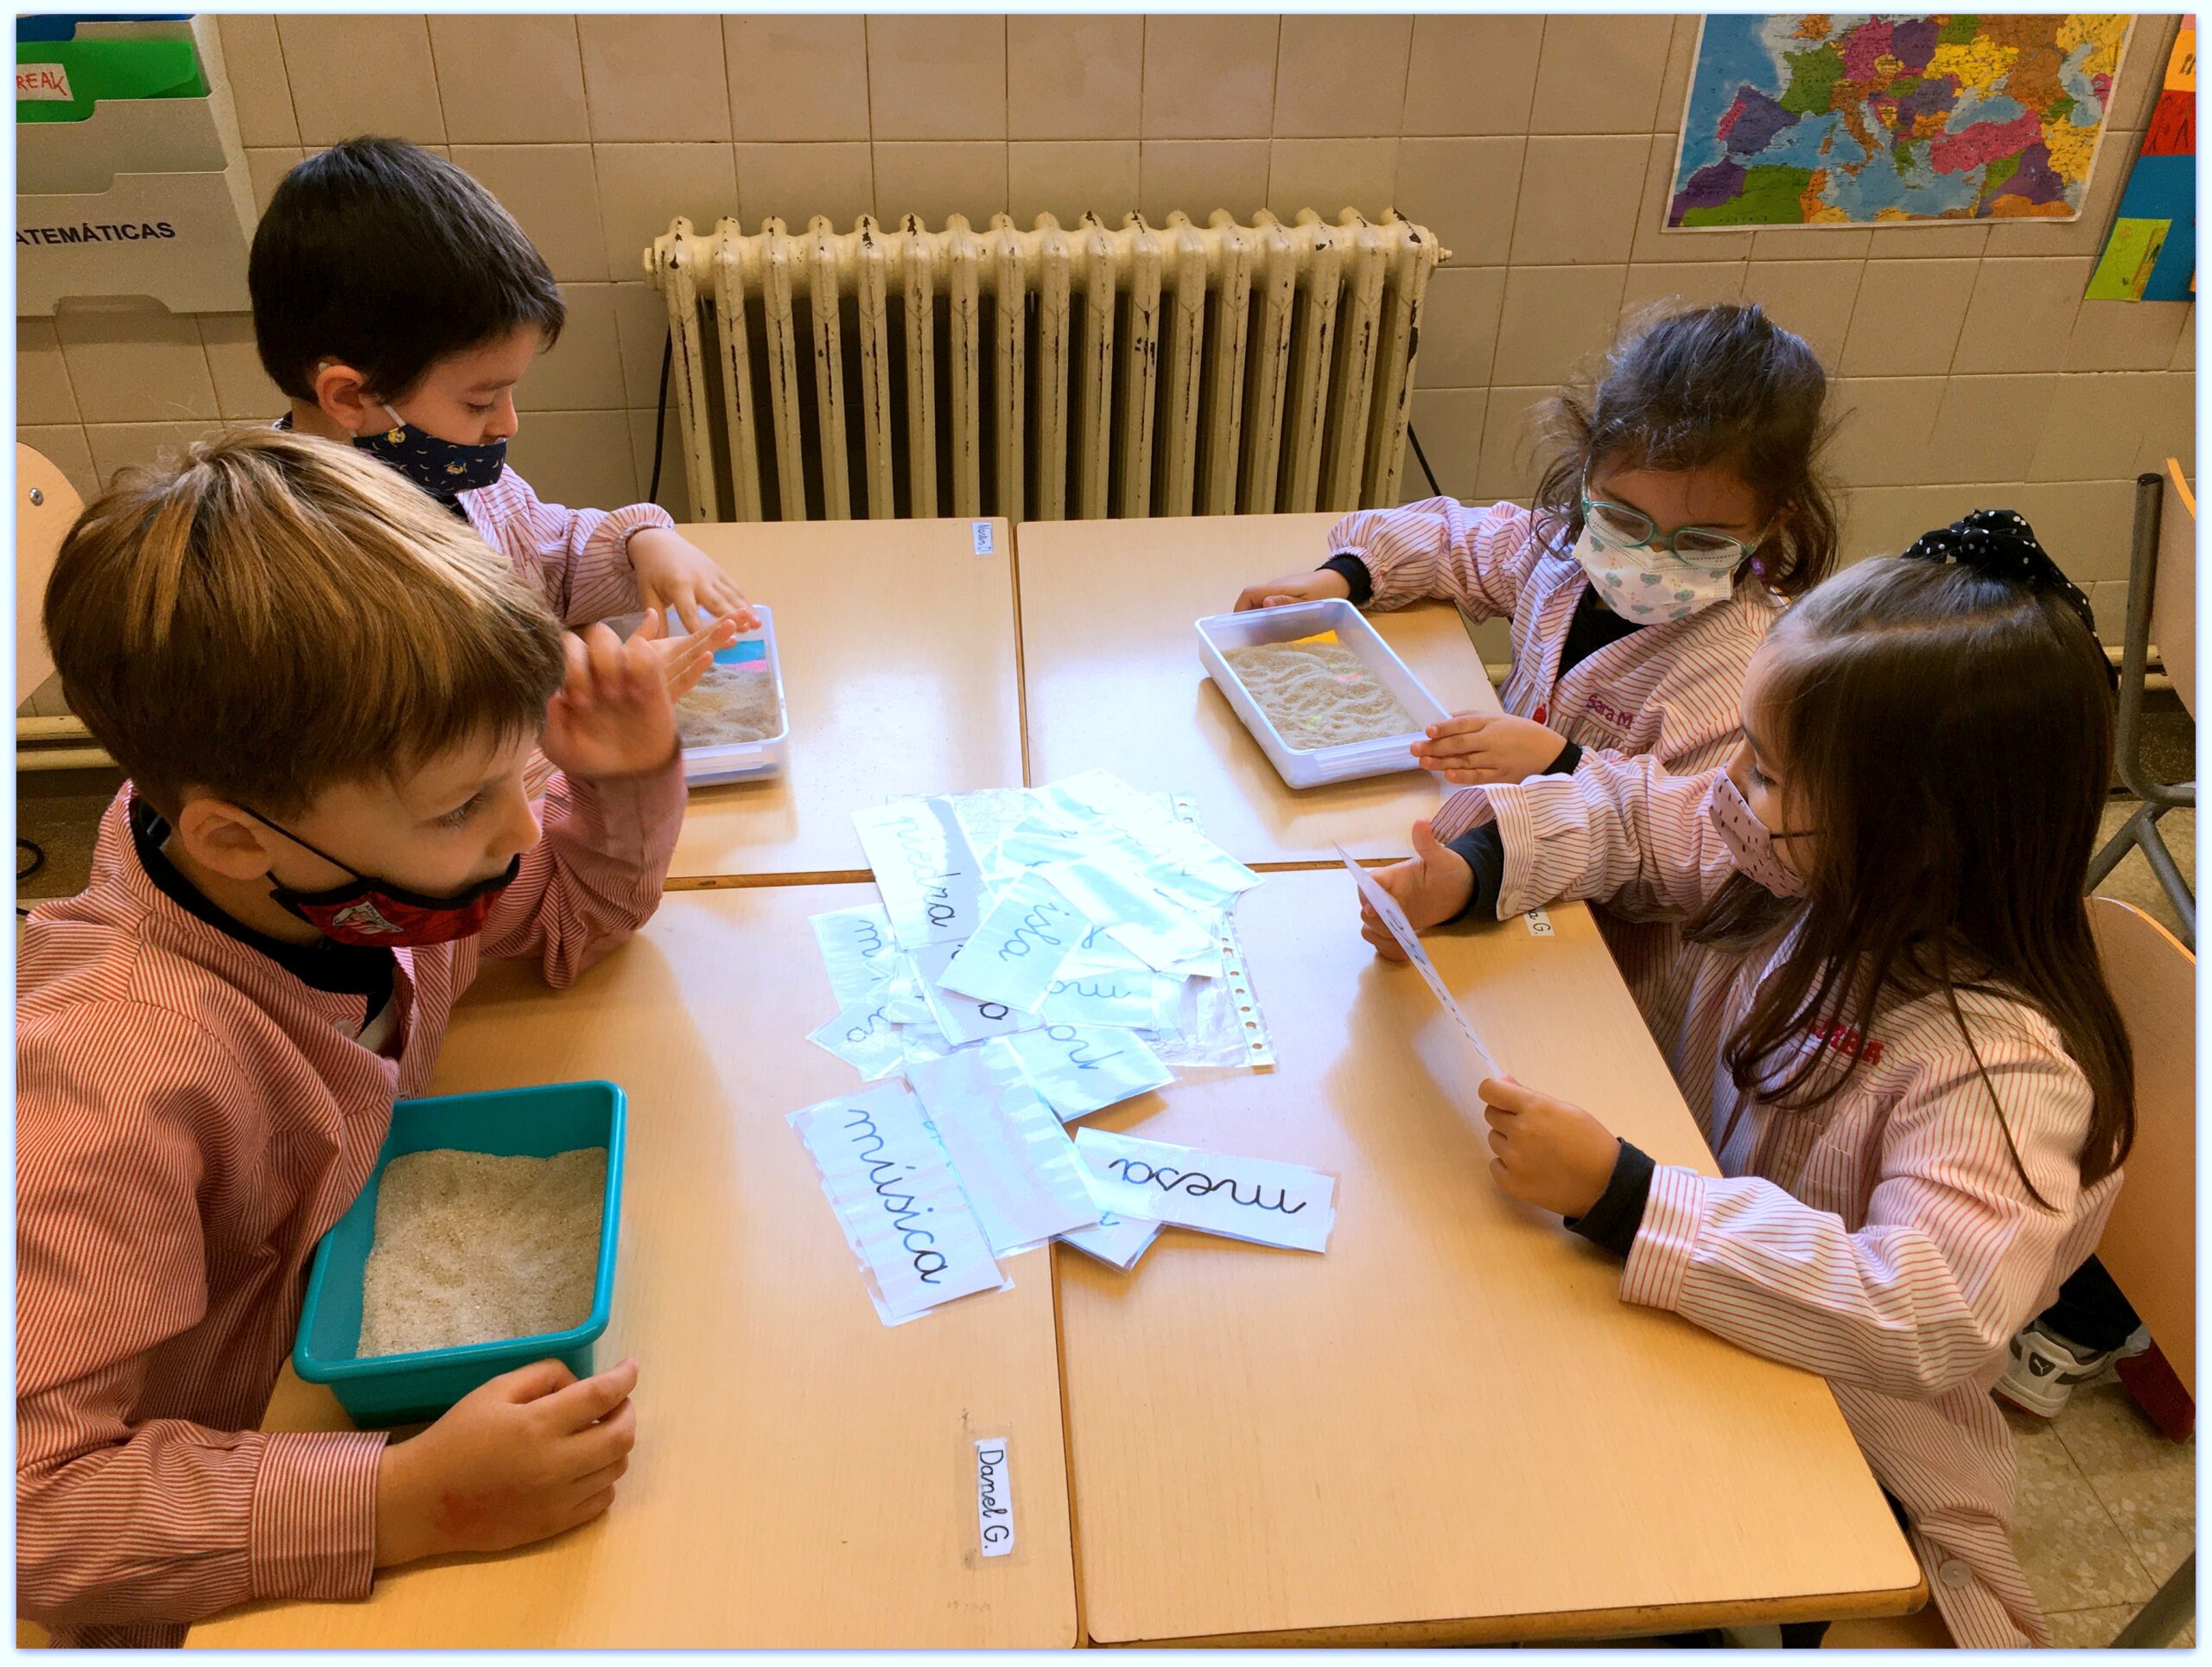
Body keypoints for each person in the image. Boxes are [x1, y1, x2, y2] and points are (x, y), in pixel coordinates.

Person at [1359, 512, 2132, 1647]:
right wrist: (1474, 871)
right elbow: (1637, 816)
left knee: (1511, 1542)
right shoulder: (1801, 854)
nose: (1731, 788)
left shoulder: (1998, 1069)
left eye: (1767, 772)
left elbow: (1922, 1316)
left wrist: (1628, 1197)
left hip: (1849, 1454)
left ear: (1918, 833)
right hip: (1705, 1324)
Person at [17, 430, 734, 1645]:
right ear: (233, 839)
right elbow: (36, 1517)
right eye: (464, 806)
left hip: (360, 1365)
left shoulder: (341, 865)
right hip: (225, 1547)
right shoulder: (109, 1076)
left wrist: (620, 777)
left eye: (517, 772)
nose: (521, 829)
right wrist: (400, 1502)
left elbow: (572, 915)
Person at [1237, 302, 1838, 1085]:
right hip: (1496, 895)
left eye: (1697, 542)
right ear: (1588, 472)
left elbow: (1686, 846)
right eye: (1624, 518)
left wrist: (1563, 761)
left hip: (1605, 974)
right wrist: (1342, 578)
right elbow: (1457, 539)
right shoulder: (1561, 551)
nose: (1648, 558)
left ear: (1772, 522)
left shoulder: (1749, 676)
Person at [249, 135, 754, 634]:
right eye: (480, 401)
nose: (507, 423)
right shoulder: (285, 567)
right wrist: (568, 677)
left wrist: (642, 543)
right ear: (349, 396)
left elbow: (555, 555)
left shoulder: (466, 482)